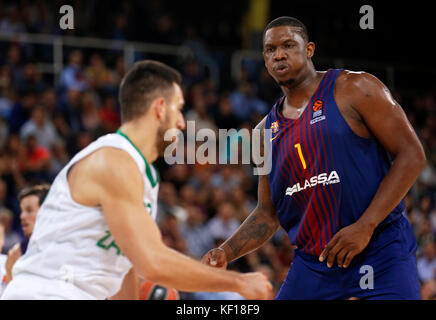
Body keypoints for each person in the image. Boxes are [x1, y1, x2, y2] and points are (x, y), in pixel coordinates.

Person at [1, 60, 272, 300]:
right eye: (178, 109)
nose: (181, 123)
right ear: (159, 107)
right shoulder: (112, 160)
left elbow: (126, 266)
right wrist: (239, 283)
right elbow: (151, 262)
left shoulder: (140, 172)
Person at [202, 17, 427, 300]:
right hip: (315, 264)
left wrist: (365, 225)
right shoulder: (263, 134)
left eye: (288, 45)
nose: (279, 54)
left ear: (309, 49)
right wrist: (226, 251)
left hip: (380, 249)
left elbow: (412, 155)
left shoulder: (354, 88)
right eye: (270, 50)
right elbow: (267, 213)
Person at [4, 184, 50, 284]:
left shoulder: (65, 245)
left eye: (29, 210)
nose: (22, 216)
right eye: (21, 211)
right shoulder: (16, 252)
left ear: (47, 212)